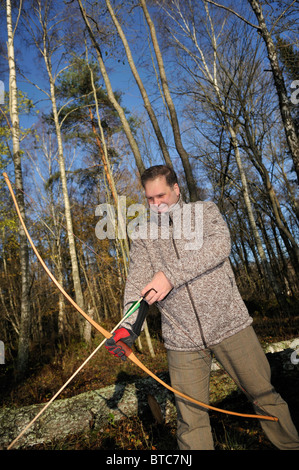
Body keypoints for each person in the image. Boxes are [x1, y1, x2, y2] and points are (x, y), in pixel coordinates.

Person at [105, 165, 299, 450]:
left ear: (176, 189)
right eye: (149, 199)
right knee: (190, 419)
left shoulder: (204, 212)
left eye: (161, 196)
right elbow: (137, 286)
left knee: (265, 396)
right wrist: (127, 327)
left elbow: (220, 247)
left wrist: (170, 275)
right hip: (181, 339)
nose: (156, 204)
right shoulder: (144, 235)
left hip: (229, 324)